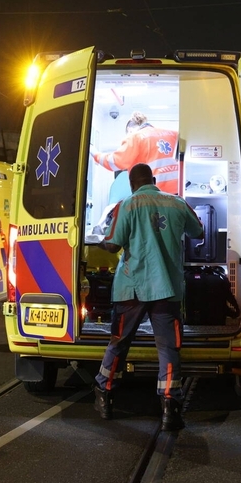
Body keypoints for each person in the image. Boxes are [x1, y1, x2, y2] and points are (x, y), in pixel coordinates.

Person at [93, 163, 204, 431]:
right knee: (168, 348)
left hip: (131, 288)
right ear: (153, 179)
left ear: (132, 184)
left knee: (119, 343)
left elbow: (113, 244)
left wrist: (98, 239)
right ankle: (170, 408)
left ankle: (105, 395)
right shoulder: (177, 204)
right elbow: (198, 231)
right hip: (167, 289)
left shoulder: (127, 205)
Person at [91, 111, 181, 194]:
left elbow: (114, 162)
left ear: (130, 129)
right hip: (178, 193)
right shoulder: (174, 134)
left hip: (154, 195)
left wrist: (95, 154)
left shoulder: (135, 137)